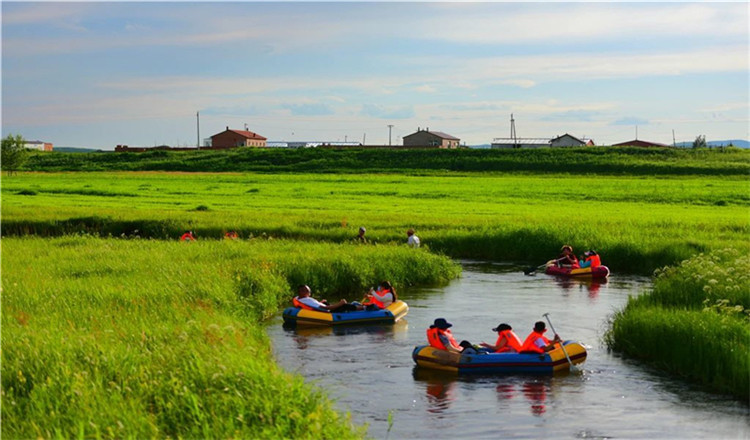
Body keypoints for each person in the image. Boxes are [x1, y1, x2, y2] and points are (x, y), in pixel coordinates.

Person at [292, 285, 359, 313]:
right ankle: (363, 308)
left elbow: (313, 305)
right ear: (302, 292)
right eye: (308, 291)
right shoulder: (307, 300)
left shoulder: (298, 298)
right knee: (345, 306)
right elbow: (326, 308)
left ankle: (356, 306)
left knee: (325, 302)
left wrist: (320, 302)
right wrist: (340, 303)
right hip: (327, 312)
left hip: (318, 308)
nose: (309, 293)